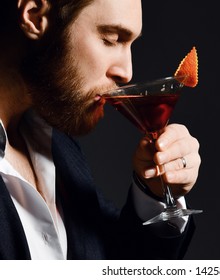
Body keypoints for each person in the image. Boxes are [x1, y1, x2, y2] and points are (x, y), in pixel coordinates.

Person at [0, 0, 201, 259]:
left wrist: (153, 193)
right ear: (35, 16)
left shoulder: (57, 144)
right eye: (111, 39)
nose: (127, 72)